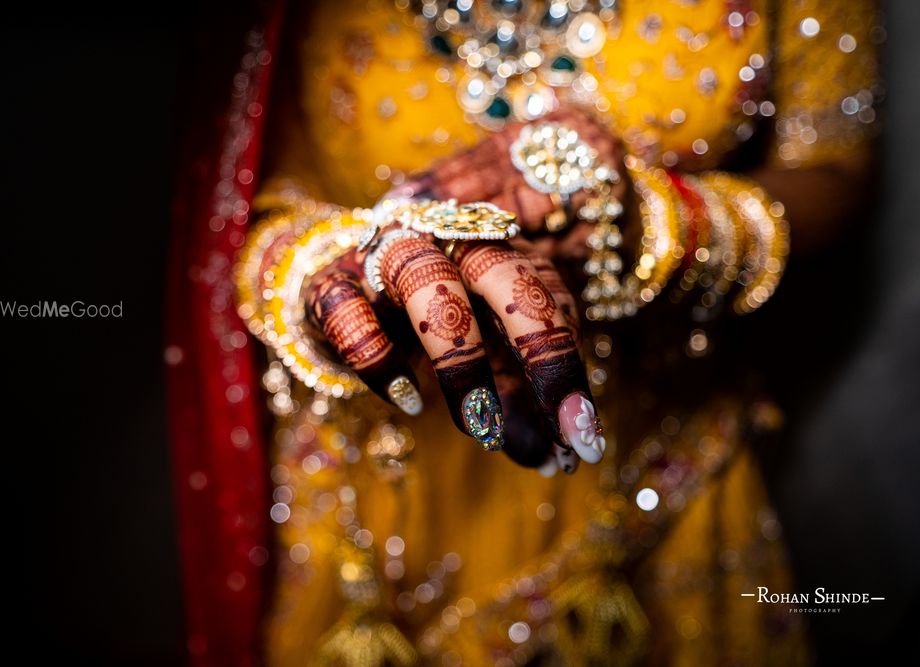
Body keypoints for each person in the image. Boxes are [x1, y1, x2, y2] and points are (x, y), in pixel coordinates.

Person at [166, 1, 881, 664]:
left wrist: (654, 226)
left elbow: (831, 170)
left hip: (657, 481)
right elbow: (247, 202)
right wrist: (332, 272)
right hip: (375, 523)